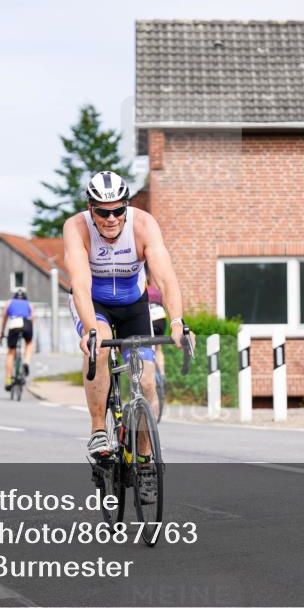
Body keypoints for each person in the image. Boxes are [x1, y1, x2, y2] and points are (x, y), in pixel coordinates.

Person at [63, 170, 195, 461]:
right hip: (94, 303)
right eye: (103, 212)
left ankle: (145, 459)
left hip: (134, 303)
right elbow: (81, 286)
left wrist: (176, 322)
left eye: (118, 210)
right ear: (91, 209)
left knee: (147, 382)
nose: (111, 219)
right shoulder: (76, 227)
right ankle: (99, 430)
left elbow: (166, 278)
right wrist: (89, 330)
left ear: (126, 206)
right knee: (99, 346)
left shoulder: (144, 225)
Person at [1, 288, 34, 390]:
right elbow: (33, 318)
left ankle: (8, 380)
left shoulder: (9, 302)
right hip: (27, 324)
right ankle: (26, 363)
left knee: (11, 353)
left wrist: (2, 332)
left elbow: (4, 319)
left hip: (14, 324)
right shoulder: (29, 304)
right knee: (29, 343)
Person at [147, 281, 167, 378]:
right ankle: (162, 374)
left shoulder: (141, 289)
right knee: (158, 348)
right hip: (160, 317)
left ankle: (152, 374)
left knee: (146, 347)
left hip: (149, 316)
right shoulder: (156, 290)